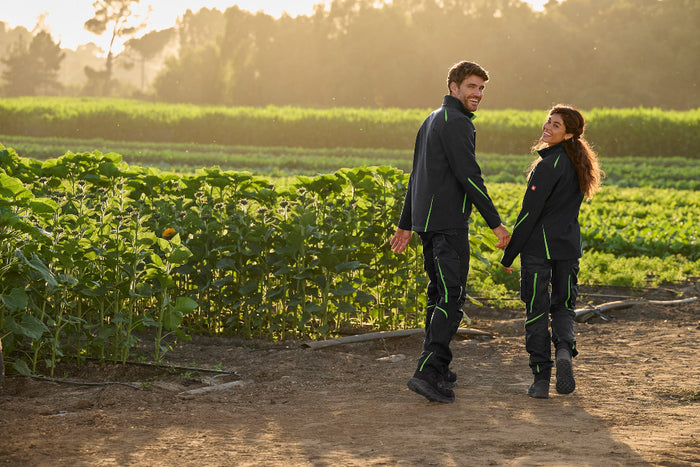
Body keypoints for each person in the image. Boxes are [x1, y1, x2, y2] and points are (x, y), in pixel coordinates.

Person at [390, 60, 511, 403]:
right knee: (452, 298)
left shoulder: (430, 120)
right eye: (472, 87)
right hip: (448, 226)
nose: (478, 94)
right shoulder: (457, 123)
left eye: (482, 88)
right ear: (453, 87)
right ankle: (428, 371)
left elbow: (415, 176)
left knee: (438, 294)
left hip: (429, 226)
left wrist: (405, 224)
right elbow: (470, 176)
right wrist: (496, 223)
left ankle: (439, 367)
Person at [501, 104, 604, 399]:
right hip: (568, 249)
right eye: (548, 121)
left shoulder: (547, 166)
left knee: (536, 311)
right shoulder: (579, 163)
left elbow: (528, 215)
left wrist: (509, 255)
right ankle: (563, 350)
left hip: (538, 250)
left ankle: (541, 379)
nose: (547, 126)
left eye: (556, 125)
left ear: (569, 133)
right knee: (563, 307)